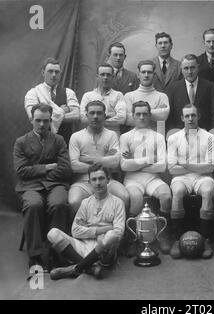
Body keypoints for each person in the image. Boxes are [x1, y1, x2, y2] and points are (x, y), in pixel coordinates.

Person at [13, 103, 72, 270]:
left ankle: (56, 251)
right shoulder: (21, 142)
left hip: (55, 184)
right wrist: (46, 168)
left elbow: (65, 169)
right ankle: (36, 256)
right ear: (31, 119)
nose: (41, 125)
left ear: (50, 121)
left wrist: (39, 173)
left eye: (46, 121)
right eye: (38, 120)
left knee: (59, 203)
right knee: (33, 204)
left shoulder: (58, 140)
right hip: (30, 186)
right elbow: (21, 171)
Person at [48, 163, 126, 280]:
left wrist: (91, 231)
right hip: (83, 246)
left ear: (108, 180)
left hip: (104, 250)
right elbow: (75, 231)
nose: (98, 183)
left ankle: (77, 268)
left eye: (101, 178)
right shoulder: (86, 203)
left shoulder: (118, 203)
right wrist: (103, 229)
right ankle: (90, 267)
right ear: (89, 183)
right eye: (94, 179)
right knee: (53, 233)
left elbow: (118, 232)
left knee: (112, 235)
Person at [120, 101, 172, 255]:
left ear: (150, 116)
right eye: (138, 114)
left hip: (152, 179)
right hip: (132, 180)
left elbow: (163, 166)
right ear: (133, 116)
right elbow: (124, 166)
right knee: (135, 198)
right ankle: (133, 239)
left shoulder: (158, 137)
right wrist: (150, 159)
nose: (142, 117)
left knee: (166, 196)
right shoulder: (125, 137)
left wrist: (134, 162)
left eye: (145, 114)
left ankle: (163, 235)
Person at [167, 104, 214, 259]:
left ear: (198, 116)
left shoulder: (209, 137)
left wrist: (185, 164)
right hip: (181, 178)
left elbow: (210, 167)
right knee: (177, 192)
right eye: (187, 116)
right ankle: (176, 239)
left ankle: (206, 239)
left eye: (193, 115)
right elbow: (172, 169)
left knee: (208, 191)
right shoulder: (174, 138)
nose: (190, 119)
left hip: (203, 178)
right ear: (182, 118)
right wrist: (197, 167)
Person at [69, 100, 129, 214]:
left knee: (124, 197)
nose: (95, 116)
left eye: (99, 113)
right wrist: (104, 161)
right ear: (86, 115)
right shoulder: (76, 137)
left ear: (104, 116)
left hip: (107, 180)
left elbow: (115, 162)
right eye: (92, 113)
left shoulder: (111, 135)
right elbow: (74, 166)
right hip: (83, 182)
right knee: (74, 201)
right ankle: (79, 230)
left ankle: (119, 230)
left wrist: (88, 159)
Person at [24, 58, 80, 144]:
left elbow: (77, 115)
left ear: (60, 74)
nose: (54, 75)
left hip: (63, 142)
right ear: (43, 73)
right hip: (40, 143)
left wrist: (46, 115)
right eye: (50, 71)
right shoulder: (33, 93)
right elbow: (33, 117)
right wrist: (61, 111)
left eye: (57, 72)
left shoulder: (69, 92)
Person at [167, 54, 214, 132]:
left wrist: (213, 130)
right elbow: (170, 115)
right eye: (186, 68)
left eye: (192, 68)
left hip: (204, 133)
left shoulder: (209, 87)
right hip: (180, 134)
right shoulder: (173, 88)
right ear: (181, 70)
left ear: (198, 68)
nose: (189, 72)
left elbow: (213, 112)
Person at [80, 63, 126, 136]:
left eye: (108, 75)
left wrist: (95, 120)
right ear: (97, 76)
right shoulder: (88, 96)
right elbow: (83, 118)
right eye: (102, 74)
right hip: (91, 135)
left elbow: (121, 118)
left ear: (113, 77)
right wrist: (110, 115)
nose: (105, 77)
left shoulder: (118, 95)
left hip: (112, 136)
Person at [124, 60, 170, 132]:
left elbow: (163, 116)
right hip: (134, 138)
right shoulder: (129, 96)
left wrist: (137, 113)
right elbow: (128, 119)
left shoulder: (162, 96)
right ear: (138, 75)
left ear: (154, 75)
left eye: (149, 72)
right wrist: (155, 112)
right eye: (143, 72)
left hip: (155, 137)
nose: (146, 75)